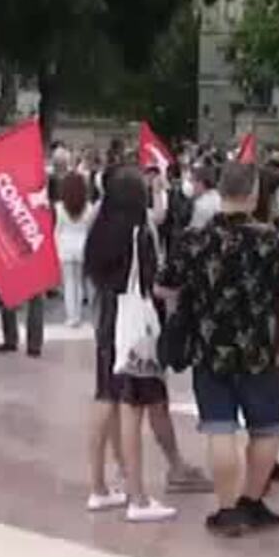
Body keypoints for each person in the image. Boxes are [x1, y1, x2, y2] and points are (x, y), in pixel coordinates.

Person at [155, 162, 279, 539]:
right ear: (253, 194)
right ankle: (252, 500)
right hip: (261, 347)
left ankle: (225, 509)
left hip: (210, 347)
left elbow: (165, 286)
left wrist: (193, 301)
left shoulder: (194, 240)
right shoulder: (273, 241)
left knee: (219, 428)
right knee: (266, 428)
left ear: (219, 192)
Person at [81, 167, 181, 523]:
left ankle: (98, 486)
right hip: (136, 325)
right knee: (132, 406)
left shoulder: (101, 228)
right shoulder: (138, 234)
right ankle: (138, 495)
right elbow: (153, 283)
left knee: (105, 396)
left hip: (108, 318)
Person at [55, 171, 94, 328]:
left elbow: (57, 230)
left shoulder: (59, 208)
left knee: (69, 284)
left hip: (65, 247)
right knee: (85, 283)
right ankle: (90, 315)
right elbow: (90, 228)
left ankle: (73, 317)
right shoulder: (89, 207)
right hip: (84, 246)